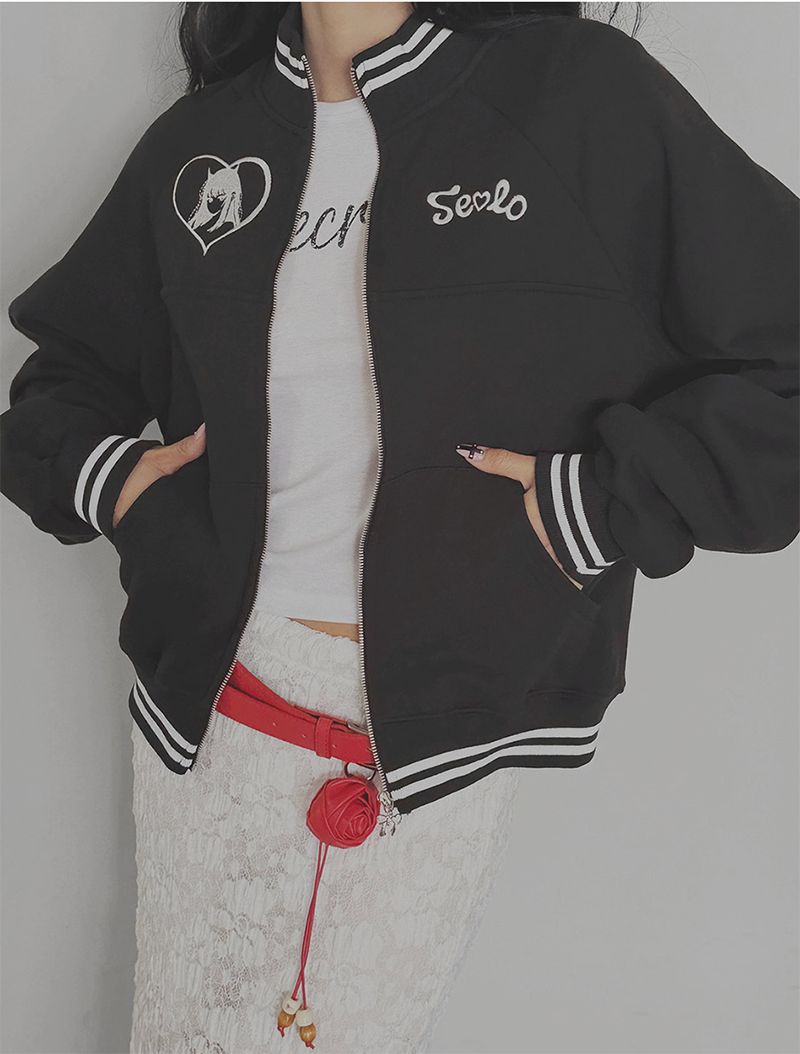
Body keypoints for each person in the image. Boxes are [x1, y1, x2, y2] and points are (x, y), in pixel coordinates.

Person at [1, 2, 798, 1051]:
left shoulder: (574, 94)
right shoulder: (205, 143)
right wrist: (113, 484)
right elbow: (62, 379)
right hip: (207, 726)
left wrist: (594, 506)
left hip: (413, 749)